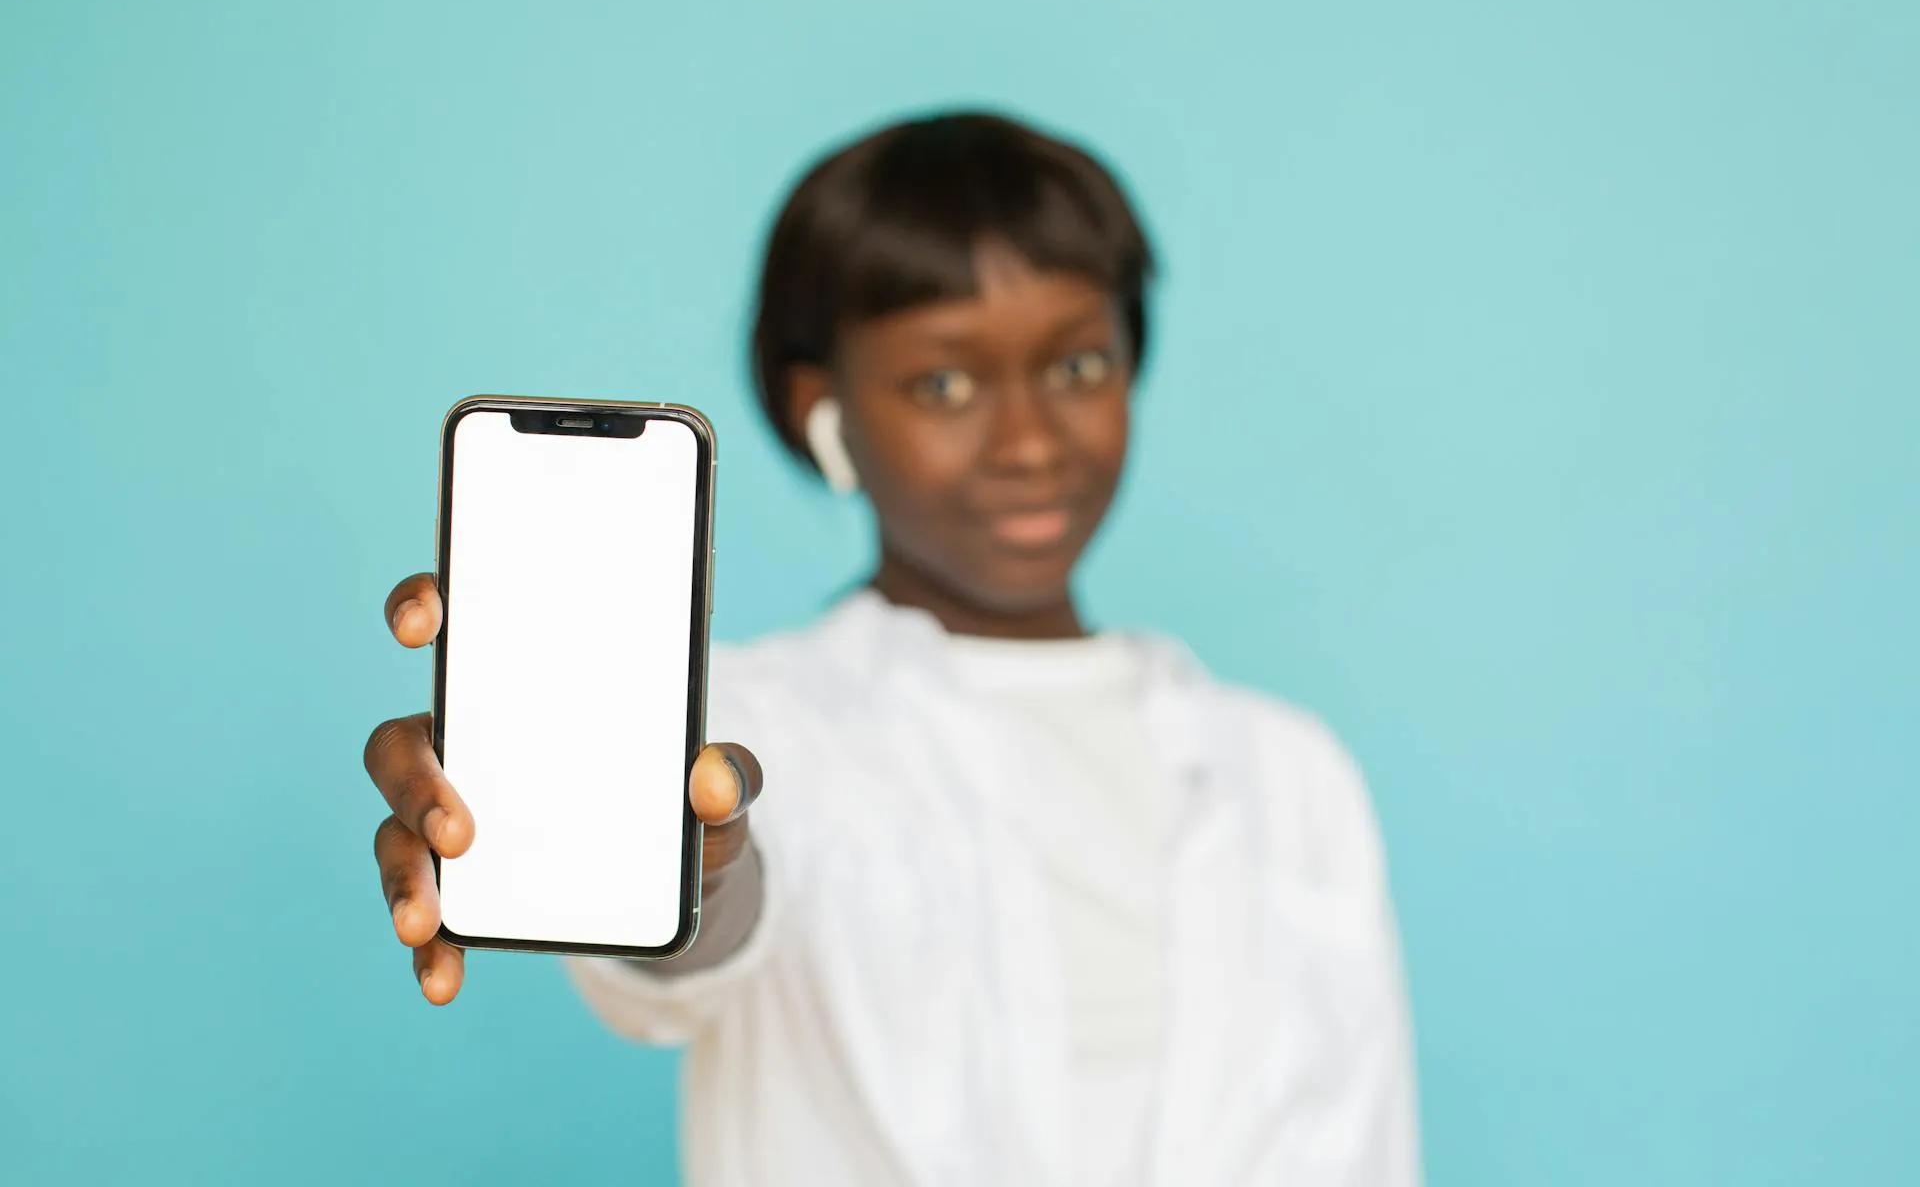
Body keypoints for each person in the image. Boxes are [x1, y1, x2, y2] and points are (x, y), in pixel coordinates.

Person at [364, 112, 1421, 1185]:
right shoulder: (742, 724)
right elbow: (693, 944)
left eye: (1078, 365)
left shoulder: (1293, 775)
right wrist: (687, 861)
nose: (1030, 442)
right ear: (822, 413)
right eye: (944, 385)